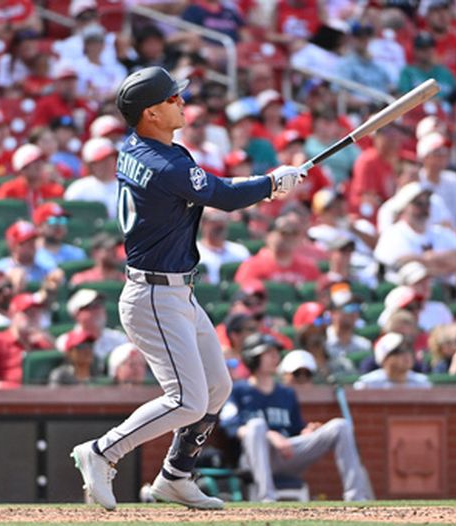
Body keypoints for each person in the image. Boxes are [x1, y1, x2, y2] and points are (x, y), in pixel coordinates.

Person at [70, 66, 305, 511]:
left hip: (176, 291)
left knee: (217, 386)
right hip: (154, 296)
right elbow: (222, 195)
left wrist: (266, 184)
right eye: (172, 98)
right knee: (188, 400)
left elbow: (208, 187)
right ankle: (101, 451)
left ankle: (175, 476)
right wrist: (272, 184)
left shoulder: (145, 148)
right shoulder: (163, 163)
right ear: (150, 113)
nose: (181, 102)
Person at [219, 333, 373, 502]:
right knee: (256, 425)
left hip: (287, 452)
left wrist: (307, 431)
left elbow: (295, 428)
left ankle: (356, 498)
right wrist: (269, 435)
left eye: (276, 352)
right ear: (252, 357)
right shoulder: (238, 390)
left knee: (340, 426)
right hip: (255, 457)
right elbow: (230, 426)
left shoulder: (286, 393)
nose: (275, 357)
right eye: (268, 353)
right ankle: (266, 498)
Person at [0, 292, 54, 388]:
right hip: (8, 395)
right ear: (12, 314)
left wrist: (48, 338)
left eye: (36, 313)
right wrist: (11, 389)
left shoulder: (41, 343)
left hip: (41, 395)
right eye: (27, 312)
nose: (33, 316)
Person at [56, 288, 129, 366]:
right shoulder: (65, 341)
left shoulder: (119, 338)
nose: (98, 310)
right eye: (91, 307)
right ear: (76, 314)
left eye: (100, 304)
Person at [64, 137, 120, 219]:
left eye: (110, 158)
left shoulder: (129, 186)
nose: (107, 163)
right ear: (89, 165)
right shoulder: (78, 189)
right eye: (100, 161)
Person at [353, 333, 432, 390]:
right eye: (399, 351)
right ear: (384, 358)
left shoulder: (423, 384)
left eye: (409, 350)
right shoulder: (367, 385)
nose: (407, 355)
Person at [195, 207, 250, 285]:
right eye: (214, 220)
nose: (219, 225)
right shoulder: (193, 252)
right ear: (203, 224)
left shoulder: (240, 251)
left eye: (223, 219)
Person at [33, 202, 86, 269]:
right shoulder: (30, 256)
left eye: (62, 220)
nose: (59, 225)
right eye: (53, 221)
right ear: (39, 227)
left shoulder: (76, 254)